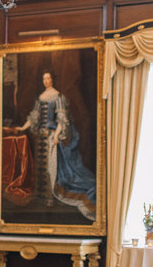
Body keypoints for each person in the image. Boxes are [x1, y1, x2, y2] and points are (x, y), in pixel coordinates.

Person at [14, 70, 96, 220]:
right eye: (44, 79)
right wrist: (22, 128)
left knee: (50, 167)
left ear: (52, 80)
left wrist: (57, 135)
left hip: (51, 136)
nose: (46, 81)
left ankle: (50, 196)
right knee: (40, 166)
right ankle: (41, 196)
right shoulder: (40, 97)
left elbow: (61, 119)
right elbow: (34, 117)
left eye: (48, 78)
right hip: (40, 137)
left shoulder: (58, 97)